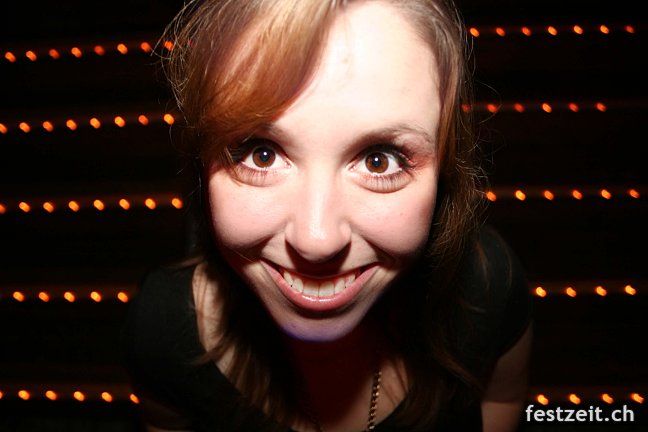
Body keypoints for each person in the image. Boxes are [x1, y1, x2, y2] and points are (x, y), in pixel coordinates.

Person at [124, 0, 533, 431]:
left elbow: (502, 399)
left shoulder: (487, 285)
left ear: (446, 167)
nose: (316, 240)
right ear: (202, 164)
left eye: (379, 160)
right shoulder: (163, 330)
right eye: (261, 154)